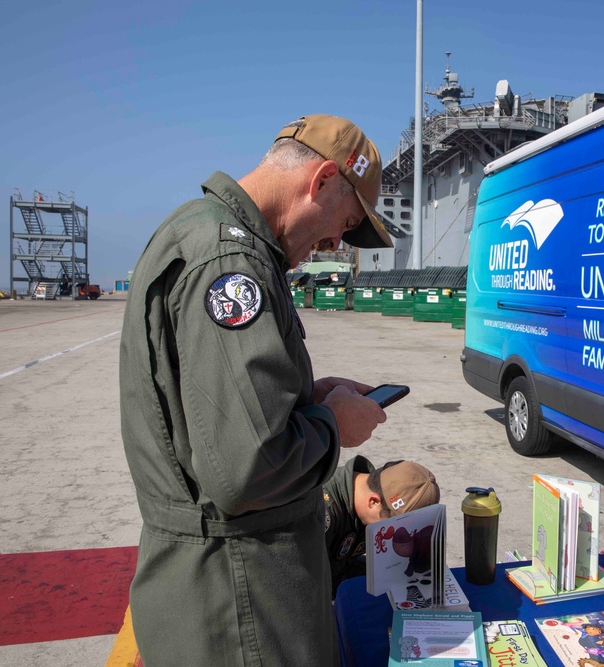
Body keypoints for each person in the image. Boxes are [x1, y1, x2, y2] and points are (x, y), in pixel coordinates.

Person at [119, 115, 395, 666]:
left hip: (233, 593)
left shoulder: (209, 235)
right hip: (242, 606)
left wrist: (309, 396)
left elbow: (215, 411)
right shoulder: (230, 264)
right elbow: (248, 469)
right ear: (318, 181)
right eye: (343, 222)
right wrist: (334, 425)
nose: (337, 243)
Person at [323, 456, 440, 596]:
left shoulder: (366, 503)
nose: (396, 536)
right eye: (396, 529)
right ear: (373, 502)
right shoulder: (320, 512)